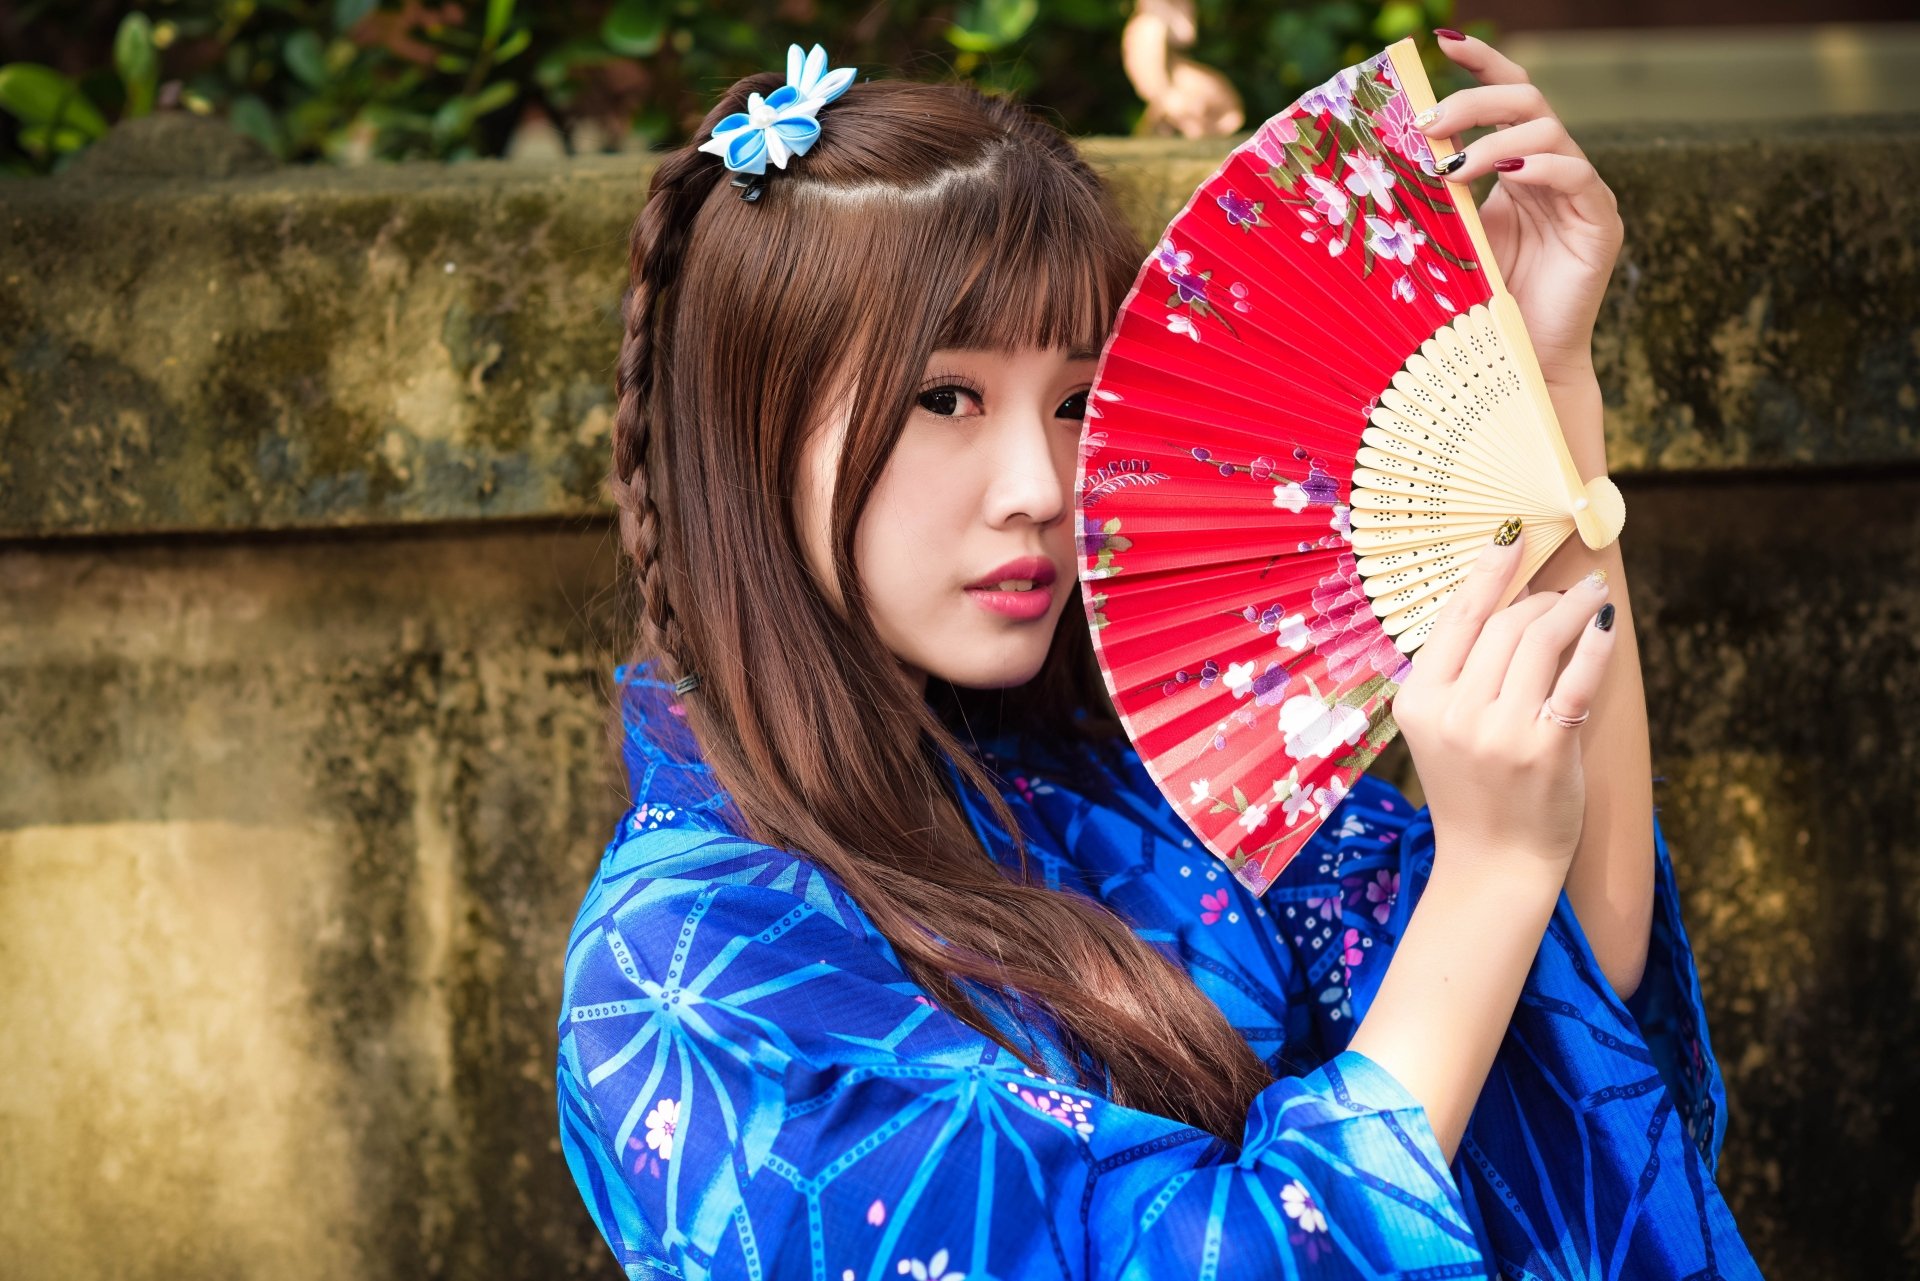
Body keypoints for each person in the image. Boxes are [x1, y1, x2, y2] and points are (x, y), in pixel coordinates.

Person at [556, 35, 1764, 1280]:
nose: (1041, 487)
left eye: (1078, 402)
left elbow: (1562, 990)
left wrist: (1548, 391)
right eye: (946, 399)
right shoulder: (689, 966)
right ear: (746, 435)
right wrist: (1489, 869)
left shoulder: (1110, 786)